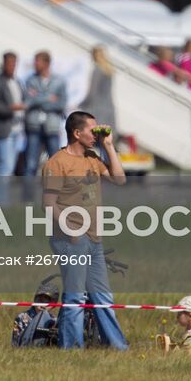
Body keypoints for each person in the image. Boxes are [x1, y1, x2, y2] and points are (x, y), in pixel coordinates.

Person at [40, 110, 129, 351]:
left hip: (94, 238)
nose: (97, 133)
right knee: (76, 297)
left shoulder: (92, 157)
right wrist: (71, 231)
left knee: (102, 297)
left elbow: (120, 179)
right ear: (76, 133)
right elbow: (49, 204)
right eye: (93, 129)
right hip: (70, 240)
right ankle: (71, 349)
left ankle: (118, 347)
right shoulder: (57, 163)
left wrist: (109, 146)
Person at [0, 52, 24, 203]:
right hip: (4, 129)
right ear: (4, 64)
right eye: (9, 63)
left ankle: (3, 200)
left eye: (14, 64)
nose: (12, 66)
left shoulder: (17, 82)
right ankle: (1, 202)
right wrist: (11, 108)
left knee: (10, 166)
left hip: (17, 129)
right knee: (5, 166)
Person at [22, 51, 65, 177]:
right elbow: (28, 101)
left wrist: (39, 98)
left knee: (55, 162)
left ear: (47, 63)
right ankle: (27, 195)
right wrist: (48, 98)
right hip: (34, 125)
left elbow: (61, 104)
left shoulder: (59, 81)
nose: (35, 64)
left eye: (38, 62)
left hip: (51, 126)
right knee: (31, 163)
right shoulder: (30, 80)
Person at [11, 274, 60, 347]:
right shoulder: (22, 317)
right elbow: (16, 344)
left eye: (46, 300)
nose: (42, 303)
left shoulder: (54, 320)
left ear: (53, 304)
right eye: (39, 299)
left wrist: (55, 336)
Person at [84, 46, 117, 131]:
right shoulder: (109, 70)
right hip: (108, 109)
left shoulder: (98, 70)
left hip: (97, 111)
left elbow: (92, 92)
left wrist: (81, 105)